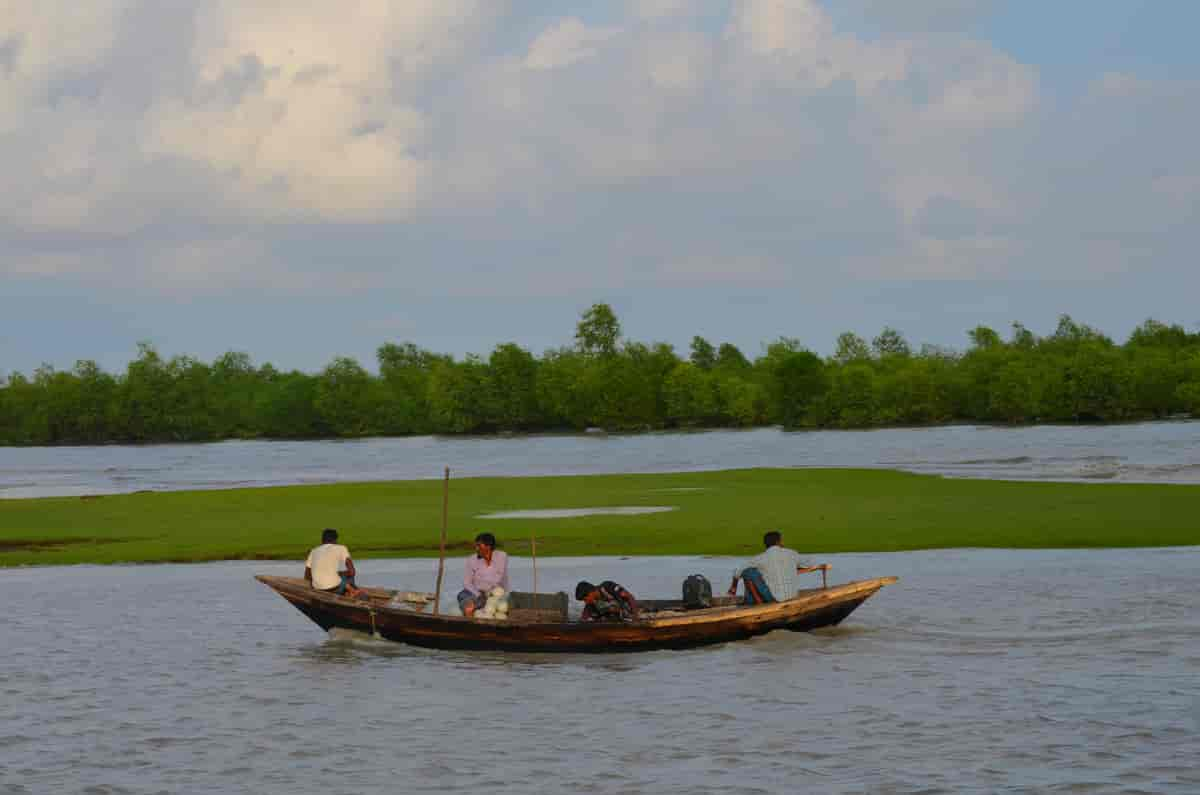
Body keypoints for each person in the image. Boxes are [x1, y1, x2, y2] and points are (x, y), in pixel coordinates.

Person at [728, 530, 829, 605]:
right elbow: (810, 562)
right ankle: (757, 603)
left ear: (766, 544)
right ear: (779, 542)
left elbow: (738, 571)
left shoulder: (760, 558)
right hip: (792, 597)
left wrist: (734, 586)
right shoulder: (791, 553)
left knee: (748, 572)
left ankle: (757, 604)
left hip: (775, 599)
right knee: (752, 572)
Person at [457, 532, 509, 617]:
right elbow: (467, 583)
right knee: (468, 607)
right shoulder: (472, 560)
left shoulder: (502, 556)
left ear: (488, 546)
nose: (476, 548)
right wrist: (479, 594)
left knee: (500, 607)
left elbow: (499, 578)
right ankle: (470, 625)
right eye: (476, 546)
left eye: (479, 546)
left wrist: (492, 593)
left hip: (495, 593)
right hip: (473, 592)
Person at [304, 528, 363, 598]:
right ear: (335, 540)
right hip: (335, 589)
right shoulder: (342, 548)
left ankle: (349, 591)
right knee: (346, 575)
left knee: (340, 575)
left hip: (317, 588)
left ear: (322, 540)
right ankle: (351, 592)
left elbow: (307, 576)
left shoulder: (313, 551)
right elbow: (352, 572)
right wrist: (341, 574)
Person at [575, 580, 640, 622]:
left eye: (585, 599)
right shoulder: (591, 602)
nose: (586, 602)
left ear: (591, 592)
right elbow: (584, 617)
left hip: (628, 614)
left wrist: (635, 616)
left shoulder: (607, 586)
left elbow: (630, 597)